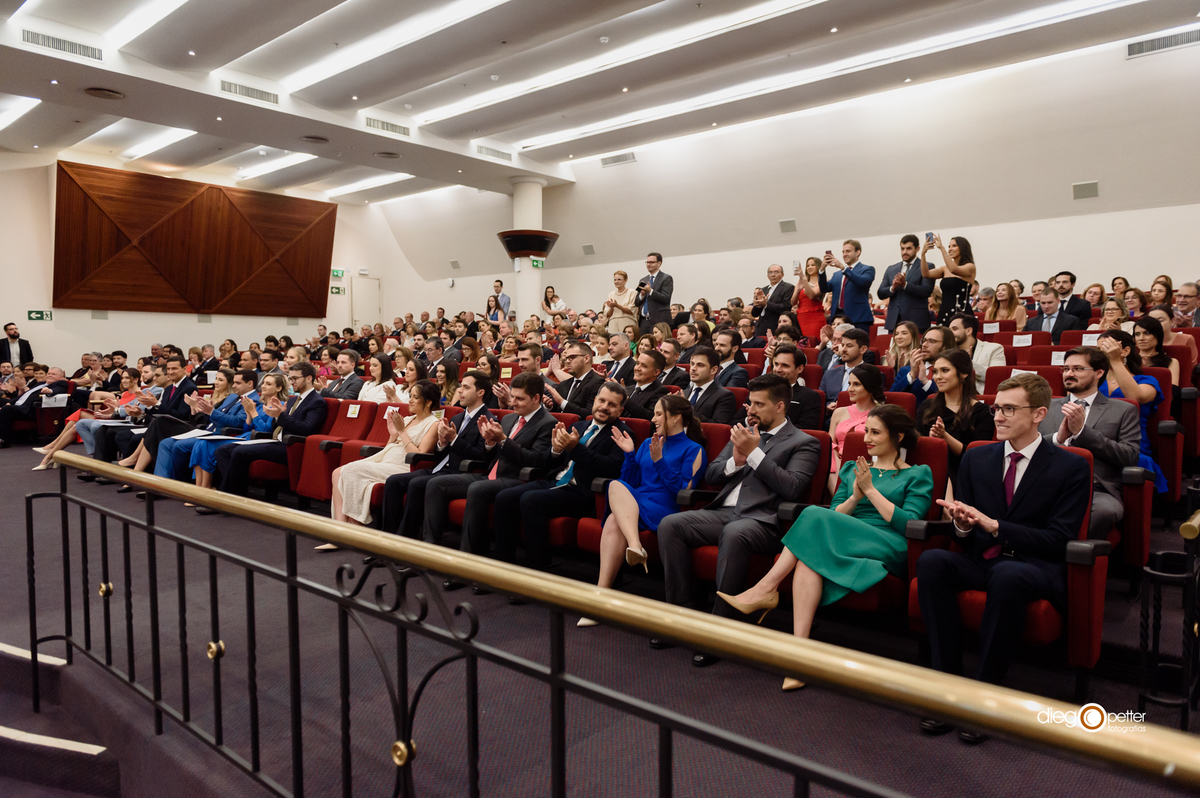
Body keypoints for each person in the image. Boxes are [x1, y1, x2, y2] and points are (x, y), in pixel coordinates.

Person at [916, 374, 1091, 730]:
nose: (998, 416)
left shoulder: (1070, 465)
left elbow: (1059, 539)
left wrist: (996, 527)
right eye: (997, 408)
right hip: (984, 559)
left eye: (1010, 409)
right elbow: (965, 536)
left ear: (1040, 413)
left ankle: (985, 697)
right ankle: (947, 686)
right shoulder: (977, 457)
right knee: (932, 561)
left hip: (1033, 566)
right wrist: (963, 525)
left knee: (1008, 574)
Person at [720, 405, 933, 689]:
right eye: (865, 431)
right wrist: (855, 498)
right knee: (808, 557)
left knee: (810, 516)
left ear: (898, 436)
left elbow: (909, 525)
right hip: (843, 537)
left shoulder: (918, 474)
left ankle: (766, 587)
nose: (866, 438)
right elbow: (834, 514)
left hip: (888, 543)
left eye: (875, 432)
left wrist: (870, 491)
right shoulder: (851, 468)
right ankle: (799, 658)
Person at [655, 375, 821, 663]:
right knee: (671, 524)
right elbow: (712, 474)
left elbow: (793, 486)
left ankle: (720, 630)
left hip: (764, 522)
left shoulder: (804, 442)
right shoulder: (743, 431)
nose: (750, 410)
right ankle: (681, 613)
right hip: (724, 513)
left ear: (780, 406)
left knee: (734, 532)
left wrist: (755, 453)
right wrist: (737, 461)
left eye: (759, 404)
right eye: (750, 403)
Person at [577, 393, 707, 626]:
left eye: (659, 414)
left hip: (665, 508)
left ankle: (603, 594)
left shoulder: (694, 449)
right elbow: (632, 480)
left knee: (615, 506)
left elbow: (682, 492)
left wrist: (659, 461)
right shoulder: (647, 443)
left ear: (676, 418)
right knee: (616, 491)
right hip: (636, 502)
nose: (653, 419)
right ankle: (603, 595)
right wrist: (629, 453)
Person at [495, 383, 632, 574]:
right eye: (601, 400)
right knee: (504, 497)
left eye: (612, 404)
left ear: (620, 410)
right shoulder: (579, 425)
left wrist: (576, 448)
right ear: (595, 401)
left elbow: (612, 468)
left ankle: (536, 570)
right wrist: (555, 450)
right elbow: (548, 462)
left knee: (531, 500)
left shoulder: (622, 433)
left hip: (583, 492)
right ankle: (502, 566)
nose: (604, 407)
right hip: (556, 481)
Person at [425, 372, 556, 566]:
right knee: (437, 484)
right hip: (491, 474)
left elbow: (536, 460)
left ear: (536, 398)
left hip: (518, 479)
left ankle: (467, 561)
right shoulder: (509, 419)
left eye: (520, 399)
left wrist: (503, 440)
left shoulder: (547, 423)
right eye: (513, 397)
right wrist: (489, 444)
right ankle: (428, 549)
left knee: (478, 490)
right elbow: (490, 456)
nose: (513, 403)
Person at [1038, 347, 1140, 540]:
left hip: (1097, 489)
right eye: (1066, 368)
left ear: (1098, 373)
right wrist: (1058, 439)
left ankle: (1073, 559)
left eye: (1077, 368)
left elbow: (1130, 456)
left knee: (1105, 512)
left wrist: (1084, 433)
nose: (1069, 373)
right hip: (1047, 485)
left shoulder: (1123, 410)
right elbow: (1029, 446)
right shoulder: (1047, 407)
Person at [382, 371, 496, 542]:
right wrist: (442, 443)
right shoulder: (458, 417)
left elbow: (481, 458)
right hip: (441, 468)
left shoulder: (488, 420)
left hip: (462, 474)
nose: (460, 392)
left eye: (465, 387)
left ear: (480, 393)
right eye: (460, 387)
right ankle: (384, 539)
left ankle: (404, 541)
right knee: (393, 481)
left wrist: (454, 439)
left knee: (416, 483)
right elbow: (443, 452)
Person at [329, 380, 441, 529]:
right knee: (337, 472)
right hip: (386, 460)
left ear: (428, 402)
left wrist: (401, 431)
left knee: (351, 471)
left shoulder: (434, 423)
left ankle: (354, 529)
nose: (410, 400)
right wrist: (393, 435)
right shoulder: (407, 419)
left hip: (404, 467)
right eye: (410, 396)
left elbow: (419, 455)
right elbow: (390, 448)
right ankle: (339, 528)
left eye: (415, 397)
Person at [209, 362, 328, 500]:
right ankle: (237, 495)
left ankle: (227, 497)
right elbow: (282, 423)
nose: (291, 382)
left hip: (291, 446)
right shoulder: (293, 400)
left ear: (308, 378)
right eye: (290, 378)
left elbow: (307, 428)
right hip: (276, 440)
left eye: (295, 378)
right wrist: (275, 416)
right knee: (222, 450)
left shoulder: (316, 402)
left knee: (240, 451)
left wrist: (280, 416)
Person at [1096, 330, 1167, 493]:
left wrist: (1115, 361)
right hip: (1097, 439)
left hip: (1131, 442)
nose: (1101, 354)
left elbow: (1135, 398)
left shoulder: (1146, 380)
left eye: (1106, 347)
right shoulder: (1093, 381)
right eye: (1099, 350)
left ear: (1125, 351)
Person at [917, 350, 994, 491]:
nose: (938, 377)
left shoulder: (983, 412)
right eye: (935, 371)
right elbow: (917, 446)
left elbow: (978, 456)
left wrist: (945, 437)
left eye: (945, 370)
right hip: (928, 471)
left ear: (964, 373)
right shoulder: (927, 407)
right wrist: (930, 441)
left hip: (964, 474)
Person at [187, 372, 268, 492]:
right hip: (217, 431)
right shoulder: (232, 397)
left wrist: (212, 412)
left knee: (205, 444)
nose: (233, 385)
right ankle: (199, 488)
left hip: (231, 433)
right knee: (200, 442)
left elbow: (237, 422)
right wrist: (203, 409)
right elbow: (217, 414)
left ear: (250, 384)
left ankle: (206, 489)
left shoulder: (255, 400)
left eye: (237, 383)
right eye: (233, 382)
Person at [826, 364, 884, 493]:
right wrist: (838, 461)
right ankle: (838, 500)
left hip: (865, 462)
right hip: (835, 462)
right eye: (849, 384)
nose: (850, 389)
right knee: (827, 458)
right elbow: (830, 442)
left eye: (856, 384)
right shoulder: (839, 412)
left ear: (870, 387)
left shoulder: (881, 414)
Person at [878, 235, 934, 333]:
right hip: (894, 320)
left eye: (908, 248)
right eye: (902, 249)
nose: (905, 252)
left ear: (917, 249)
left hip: (917, 321)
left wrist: (905, 285)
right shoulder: (891, 269)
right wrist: (893, 288)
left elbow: (926, 291)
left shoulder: (927, 266)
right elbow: (880, 293)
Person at [819, 240, 875, 332]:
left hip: (858, 318)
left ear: (858, 252)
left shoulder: (867, 269)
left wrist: (843, 267)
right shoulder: (837, 274)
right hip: (838, 318)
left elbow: (862, 282)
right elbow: (824, 288)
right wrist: (822, 270)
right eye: (843, 252)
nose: (844, 254)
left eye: (848, 251)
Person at [919, 234, 975, 326]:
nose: (950, 249)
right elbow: (926, 274)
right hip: (945, 310)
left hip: (961, 311)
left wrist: (942, 248)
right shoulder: (944, 269)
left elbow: (954, 269)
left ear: (963, 248)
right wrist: (923, 254)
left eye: (954, 246)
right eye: (949, 246)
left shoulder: (970, 267)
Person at [947, 312, 1005, 394]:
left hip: (980, 398)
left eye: (955, 329)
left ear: (968, 331)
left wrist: (969, 362)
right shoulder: (948, 352)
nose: (950, 333)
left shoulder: (994, 349)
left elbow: (996, 378)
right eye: (949, 330)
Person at [544, 341, 604, 417]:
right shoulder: (563, 384)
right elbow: (556, 410)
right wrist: (549, 406)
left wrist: (562, 402)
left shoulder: (598, 383)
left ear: (586, 358)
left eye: (572, 357)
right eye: (567, 358)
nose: (568, 361)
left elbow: (590, 414)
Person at [769, 344, 823, 430]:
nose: (778, 369)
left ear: (799, 369)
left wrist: (771, 430)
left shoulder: (810, 397)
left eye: (785, 365)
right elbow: (740, 419)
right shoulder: (759, 390)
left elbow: (806, 428)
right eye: (776, 364)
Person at [819, 328, 869, 412]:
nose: (843, 349)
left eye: (849, 346)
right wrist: (827, 407)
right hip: (829, 420)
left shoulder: (872, 374)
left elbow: (875, 403)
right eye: (842, 345)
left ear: (863, 349)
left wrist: (842, 404)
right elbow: (820, 400)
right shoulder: (829, 373)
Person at [685, 347, 737, 425]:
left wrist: (687, 409)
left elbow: (717, 427)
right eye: (692, 364)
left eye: (700, 365)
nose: (693, 368)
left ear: (713, 370)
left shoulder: (724, 396)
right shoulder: (683, 393)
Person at [621, 350, 670, 420]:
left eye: (644, 366)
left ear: (656, 372)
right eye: (637, 363)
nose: (637, 368)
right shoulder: (629, 389)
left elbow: (651, 417)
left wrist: (625, 399)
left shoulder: (660, 392)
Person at [1132, 316, 1179, 387]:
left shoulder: (1170, 362)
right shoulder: (1129, 360)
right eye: (1137, 334)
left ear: (1158, 336)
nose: (1141, 338)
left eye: (1147, 333)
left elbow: (1173, 390)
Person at [749, 264, 794, 338]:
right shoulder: (763, 290)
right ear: (767, 275)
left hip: (776, 326)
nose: (773, 275)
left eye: (776, 272)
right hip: (761, 327)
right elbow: (754, 314)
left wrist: (766, 304)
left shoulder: (788, 287)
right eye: (770, 272)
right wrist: (758, 305)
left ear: (782, 274)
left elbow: (786, 307)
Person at [636, 253, 674, 334]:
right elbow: (636, 302)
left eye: (652, 262)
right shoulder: (643, 280)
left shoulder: (666, 278)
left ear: (659, 263)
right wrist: (642, 295)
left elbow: (666, 298)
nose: (649, 265)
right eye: (647, 262)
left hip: (659, 320)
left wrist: (650, 291)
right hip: (643, 321)